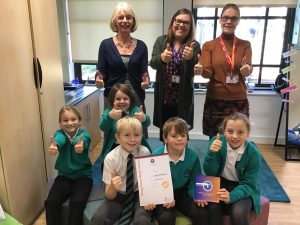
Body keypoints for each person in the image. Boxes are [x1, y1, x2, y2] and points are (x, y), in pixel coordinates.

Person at [194, 3, 253, 139]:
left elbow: (248, 68)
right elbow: (208, 73)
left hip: (238, 100)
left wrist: (247, 70)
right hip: (215, 100)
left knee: (237, 141)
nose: (229, 21)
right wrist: (201, 69)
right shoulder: (209, 45)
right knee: (215, 141)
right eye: (226, 17)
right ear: (220, 19)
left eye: (233, 18)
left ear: (238, 21)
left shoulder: (245, 45)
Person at [146, 117, 220, 225]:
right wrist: (163, 197)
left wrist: (196, 194)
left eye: (183, 135)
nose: (179, 139)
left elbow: (194, 181)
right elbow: (152, 184)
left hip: (182, 191)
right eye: (174, 136)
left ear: (187, 138)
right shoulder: (156, 156)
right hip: (162, 195)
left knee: (201, 213)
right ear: (165, 138)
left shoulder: (193, 156)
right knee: (165, 218)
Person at [150, 8, 201, 141]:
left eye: (186, 23)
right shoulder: (161, 41)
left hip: (182, 101)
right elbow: (153, 63)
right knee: (165, 136)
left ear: (190, 27)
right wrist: (161, 58)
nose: (181, 25)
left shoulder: (194, 46)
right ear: (172, 22)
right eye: (178, 21)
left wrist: (190, 59)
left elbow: (192, 73)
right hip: (165, 98)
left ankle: (182, 161)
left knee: (181, 137)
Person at [91, 116, 152, 225]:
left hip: (139, 194)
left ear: (141, 136)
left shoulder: (145, 153)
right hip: (118, 196)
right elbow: (109, 195)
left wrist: (150, 198)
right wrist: (113, 187)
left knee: (143, 220)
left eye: (137, 135)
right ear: (117, 138)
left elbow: (150, 180)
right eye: (127, 135)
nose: (132, 140)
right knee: (98, 219)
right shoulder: (110, 158)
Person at [203, 112, 261, 225]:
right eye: (230, 131)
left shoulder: (253, 153)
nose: (235, 136)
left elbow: (249, 184)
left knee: (238, 213)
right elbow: (209, 172)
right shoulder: (217, 141)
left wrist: (232, 196)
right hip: (219, 183)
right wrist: (211, 154)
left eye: (240, 132)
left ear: (248, 134)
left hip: (242, 186)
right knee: (210, 208)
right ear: (224, 131)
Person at [95, 1, 150, 111]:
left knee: (136, 127)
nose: (125, 21)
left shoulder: (142, 46)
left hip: (135, 98)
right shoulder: (105, 45)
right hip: (113, 98)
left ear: (133, 21)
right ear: (115, 21)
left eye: (128, 17)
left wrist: (146, 81)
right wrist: (99, 81)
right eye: (121, 17)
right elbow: (101, 72)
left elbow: (143, 72)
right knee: (115, 127)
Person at [45, 106, 93, 225]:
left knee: (76, 203)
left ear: (80, 120)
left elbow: (83, 141)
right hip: (64, 177)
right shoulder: (59, 134)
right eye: (65, 120)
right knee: (51, 202)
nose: (70, 123)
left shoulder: (83, 134)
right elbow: (59, 140)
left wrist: (80, 145)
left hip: (83, 177)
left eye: (73, 119)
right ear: (60, 123)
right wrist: (55, 146)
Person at [95, 83, 151, 172]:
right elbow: (102, 127)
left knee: (141, 170)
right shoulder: (110, 111)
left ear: (130, 99)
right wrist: (109, 117)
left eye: (125, 98)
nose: (122, 101)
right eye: (118, 99)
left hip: (134, 144)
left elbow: (146, 123)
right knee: (109, 169)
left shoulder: (134, 110)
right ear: (113, 100)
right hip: (114, 146)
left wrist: (144, 118)